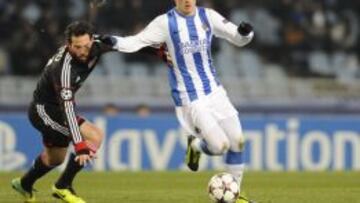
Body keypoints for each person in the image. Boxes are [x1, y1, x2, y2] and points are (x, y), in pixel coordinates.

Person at [102, 0, 255, 202]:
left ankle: (236, 197)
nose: (186, 1)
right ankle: (196, 146)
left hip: (215, 92)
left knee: (238, 142)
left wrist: (245, 33)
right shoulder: (165, 22)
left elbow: (238, 39)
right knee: (220, 147)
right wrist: (113, 41)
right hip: (190, 96)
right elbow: (136, 42)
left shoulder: (207, 16)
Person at [10, 21, 161, 203]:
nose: (83, 51)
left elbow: (127, 45)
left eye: (86, 46)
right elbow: (67, 107)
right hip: (44, 111)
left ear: (92, 40)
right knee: (93, 136)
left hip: (58, 110)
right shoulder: (63, 70)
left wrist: (157, 52)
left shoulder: (98, 44)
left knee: (55, 159)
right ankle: (62, 186)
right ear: (68, 44)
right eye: (77, 47)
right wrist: (80, 146)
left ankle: (24, 184)